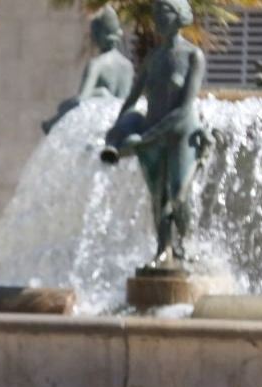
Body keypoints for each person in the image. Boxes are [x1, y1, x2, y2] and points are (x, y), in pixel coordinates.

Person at [101, 0, 208, 269]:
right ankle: (163, 248)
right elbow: (132, 98)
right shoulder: (153, 58)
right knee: (158, 196)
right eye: (156, 13)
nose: (158, 18)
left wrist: (150, 136)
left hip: (181, 132)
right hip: (151, 131)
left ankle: (186, 244)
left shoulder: (193, 56)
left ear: (179, 16)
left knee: (178, 194)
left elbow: (184, 109)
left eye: (164, 13)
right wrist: (117, 128)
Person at [41, 6, 134, 135]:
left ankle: (52, 123)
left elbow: (82, 99)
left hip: (99, 123)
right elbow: (125, 101)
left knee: (66, 105)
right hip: (118, 124)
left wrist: (62, 109)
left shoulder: (97, 64)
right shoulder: (127, 66)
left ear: (96, 35)